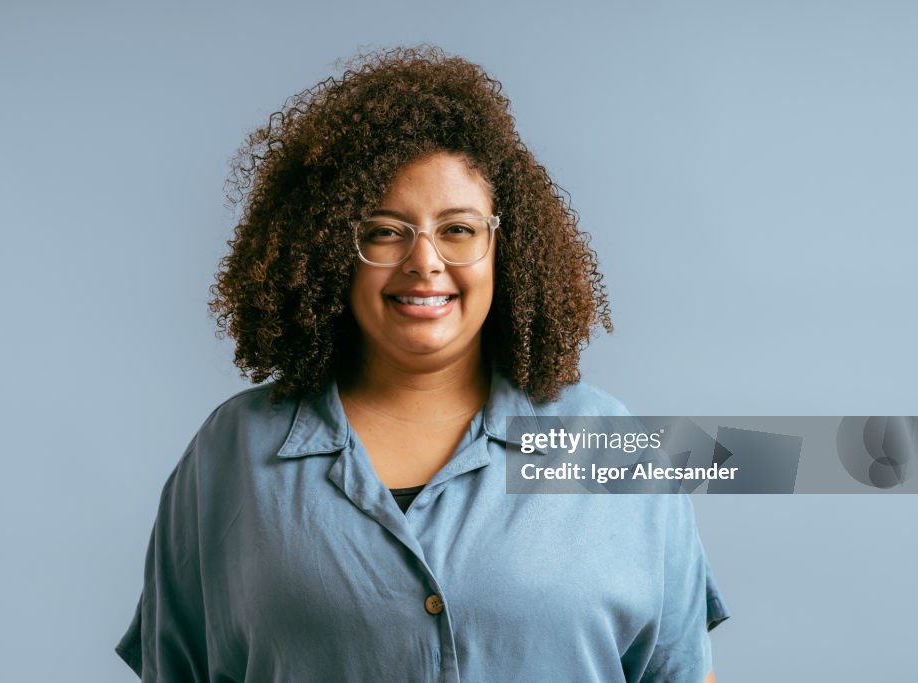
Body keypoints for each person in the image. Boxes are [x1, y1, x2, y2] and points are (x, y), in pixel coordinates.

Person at [116, 46, 728, 682]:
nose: (425, 262)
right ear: (330, 250)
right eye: (384, 231)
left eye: (459, 230)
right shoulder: (232, 453)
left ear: (505, 248)